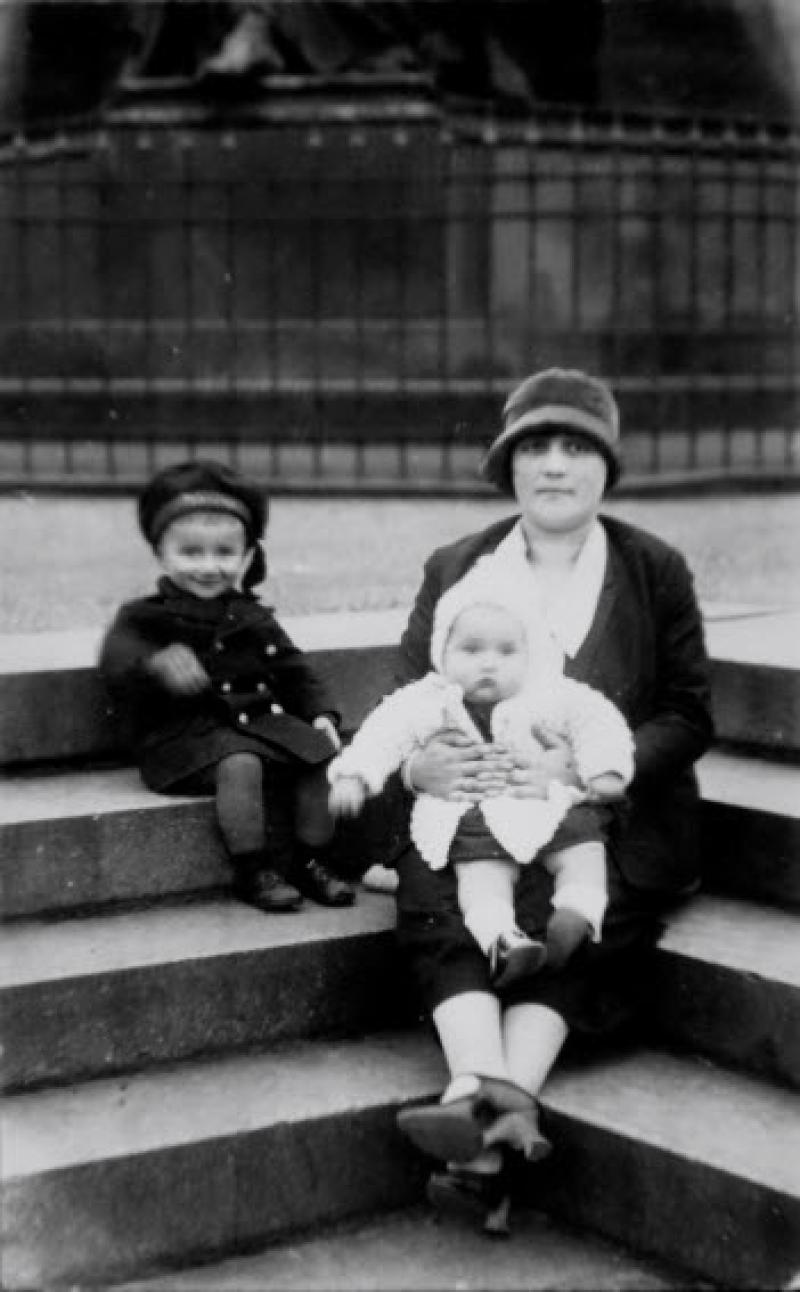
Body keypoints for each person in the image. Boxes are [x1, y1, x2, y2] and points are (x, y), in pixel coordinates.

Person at [377, 367, 714, 1234]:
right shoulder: (457, 566)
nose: (556, 467)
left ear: (607, 466)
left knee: (575, 920)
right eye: (536, 447)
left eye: (576, 448)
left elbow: (688, 713)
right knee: (441, 899)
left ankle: (480, 1120)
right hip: (475, 808)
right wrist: (418, 773)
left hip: (603, 817)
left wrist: (590, 767)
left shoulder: (652, 569)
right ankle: (493, 1110)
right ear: (507, 465)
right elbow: (408, 697)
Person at [329, 556, 634, 989]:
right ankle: (503, 939)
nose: (488, 664)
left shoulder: (549, 692)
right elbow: (383, 733)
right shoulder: (428, 699)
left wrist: (604, 771)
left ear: (531, 653)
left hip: (545, 804)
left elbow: (598, 720)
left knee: (584, 849)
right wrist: (354, 775)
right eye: (471, 650)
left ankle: (576, 915)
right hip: (472, 816)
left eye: (507, 651)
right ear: (443, 652)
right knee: (481, 879)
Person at [99, 459, 356, 914]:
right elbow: (117, 662)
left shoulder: (252, 616)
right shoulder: (144, 617)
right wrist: (155, 664)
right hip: (183, 738)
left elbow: (296, 671)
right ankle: (254, 869)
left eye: (224, 553)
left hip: (255, 725)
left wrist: (321, 714)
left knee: (321, 754)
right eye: (191, 552)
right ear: (161, 553)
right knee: (240, 764)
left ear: (247, 557)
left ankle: (313, 860)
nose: (208, 566)